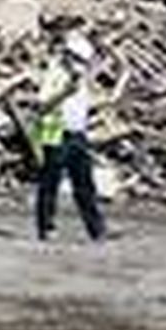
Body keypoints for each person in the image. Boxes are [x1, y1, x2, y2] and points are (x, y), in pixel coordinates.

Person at [33, 33, 107, 242]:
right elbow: (41, 107)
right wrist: (65, 92)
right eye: (77, 60)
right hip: (56, 134)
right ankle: (46, 228)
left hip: (78, 134)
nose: (81, 65)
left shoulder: (81, 77)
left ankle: (96, 230)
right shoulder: (54, 75)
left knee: (85, 185)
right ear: (67, 57)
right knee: (50, 184)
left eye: (84, 61)